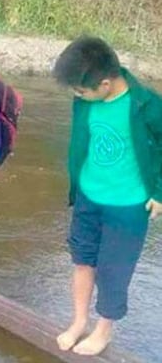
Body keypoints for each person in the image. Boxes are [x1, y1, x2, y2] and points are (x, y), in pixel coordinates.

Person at [52, 36, 162, 356]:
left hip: (128, 205)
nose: (77, 95)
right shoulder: (87, 99)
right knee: (83, 261)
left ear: (104, 82)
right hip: (89, 196)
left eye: (80, 90)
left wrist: (159, 191)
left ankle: (103, 330)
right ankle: (78, 322)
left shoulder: (146, 106)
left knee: (113, 271)